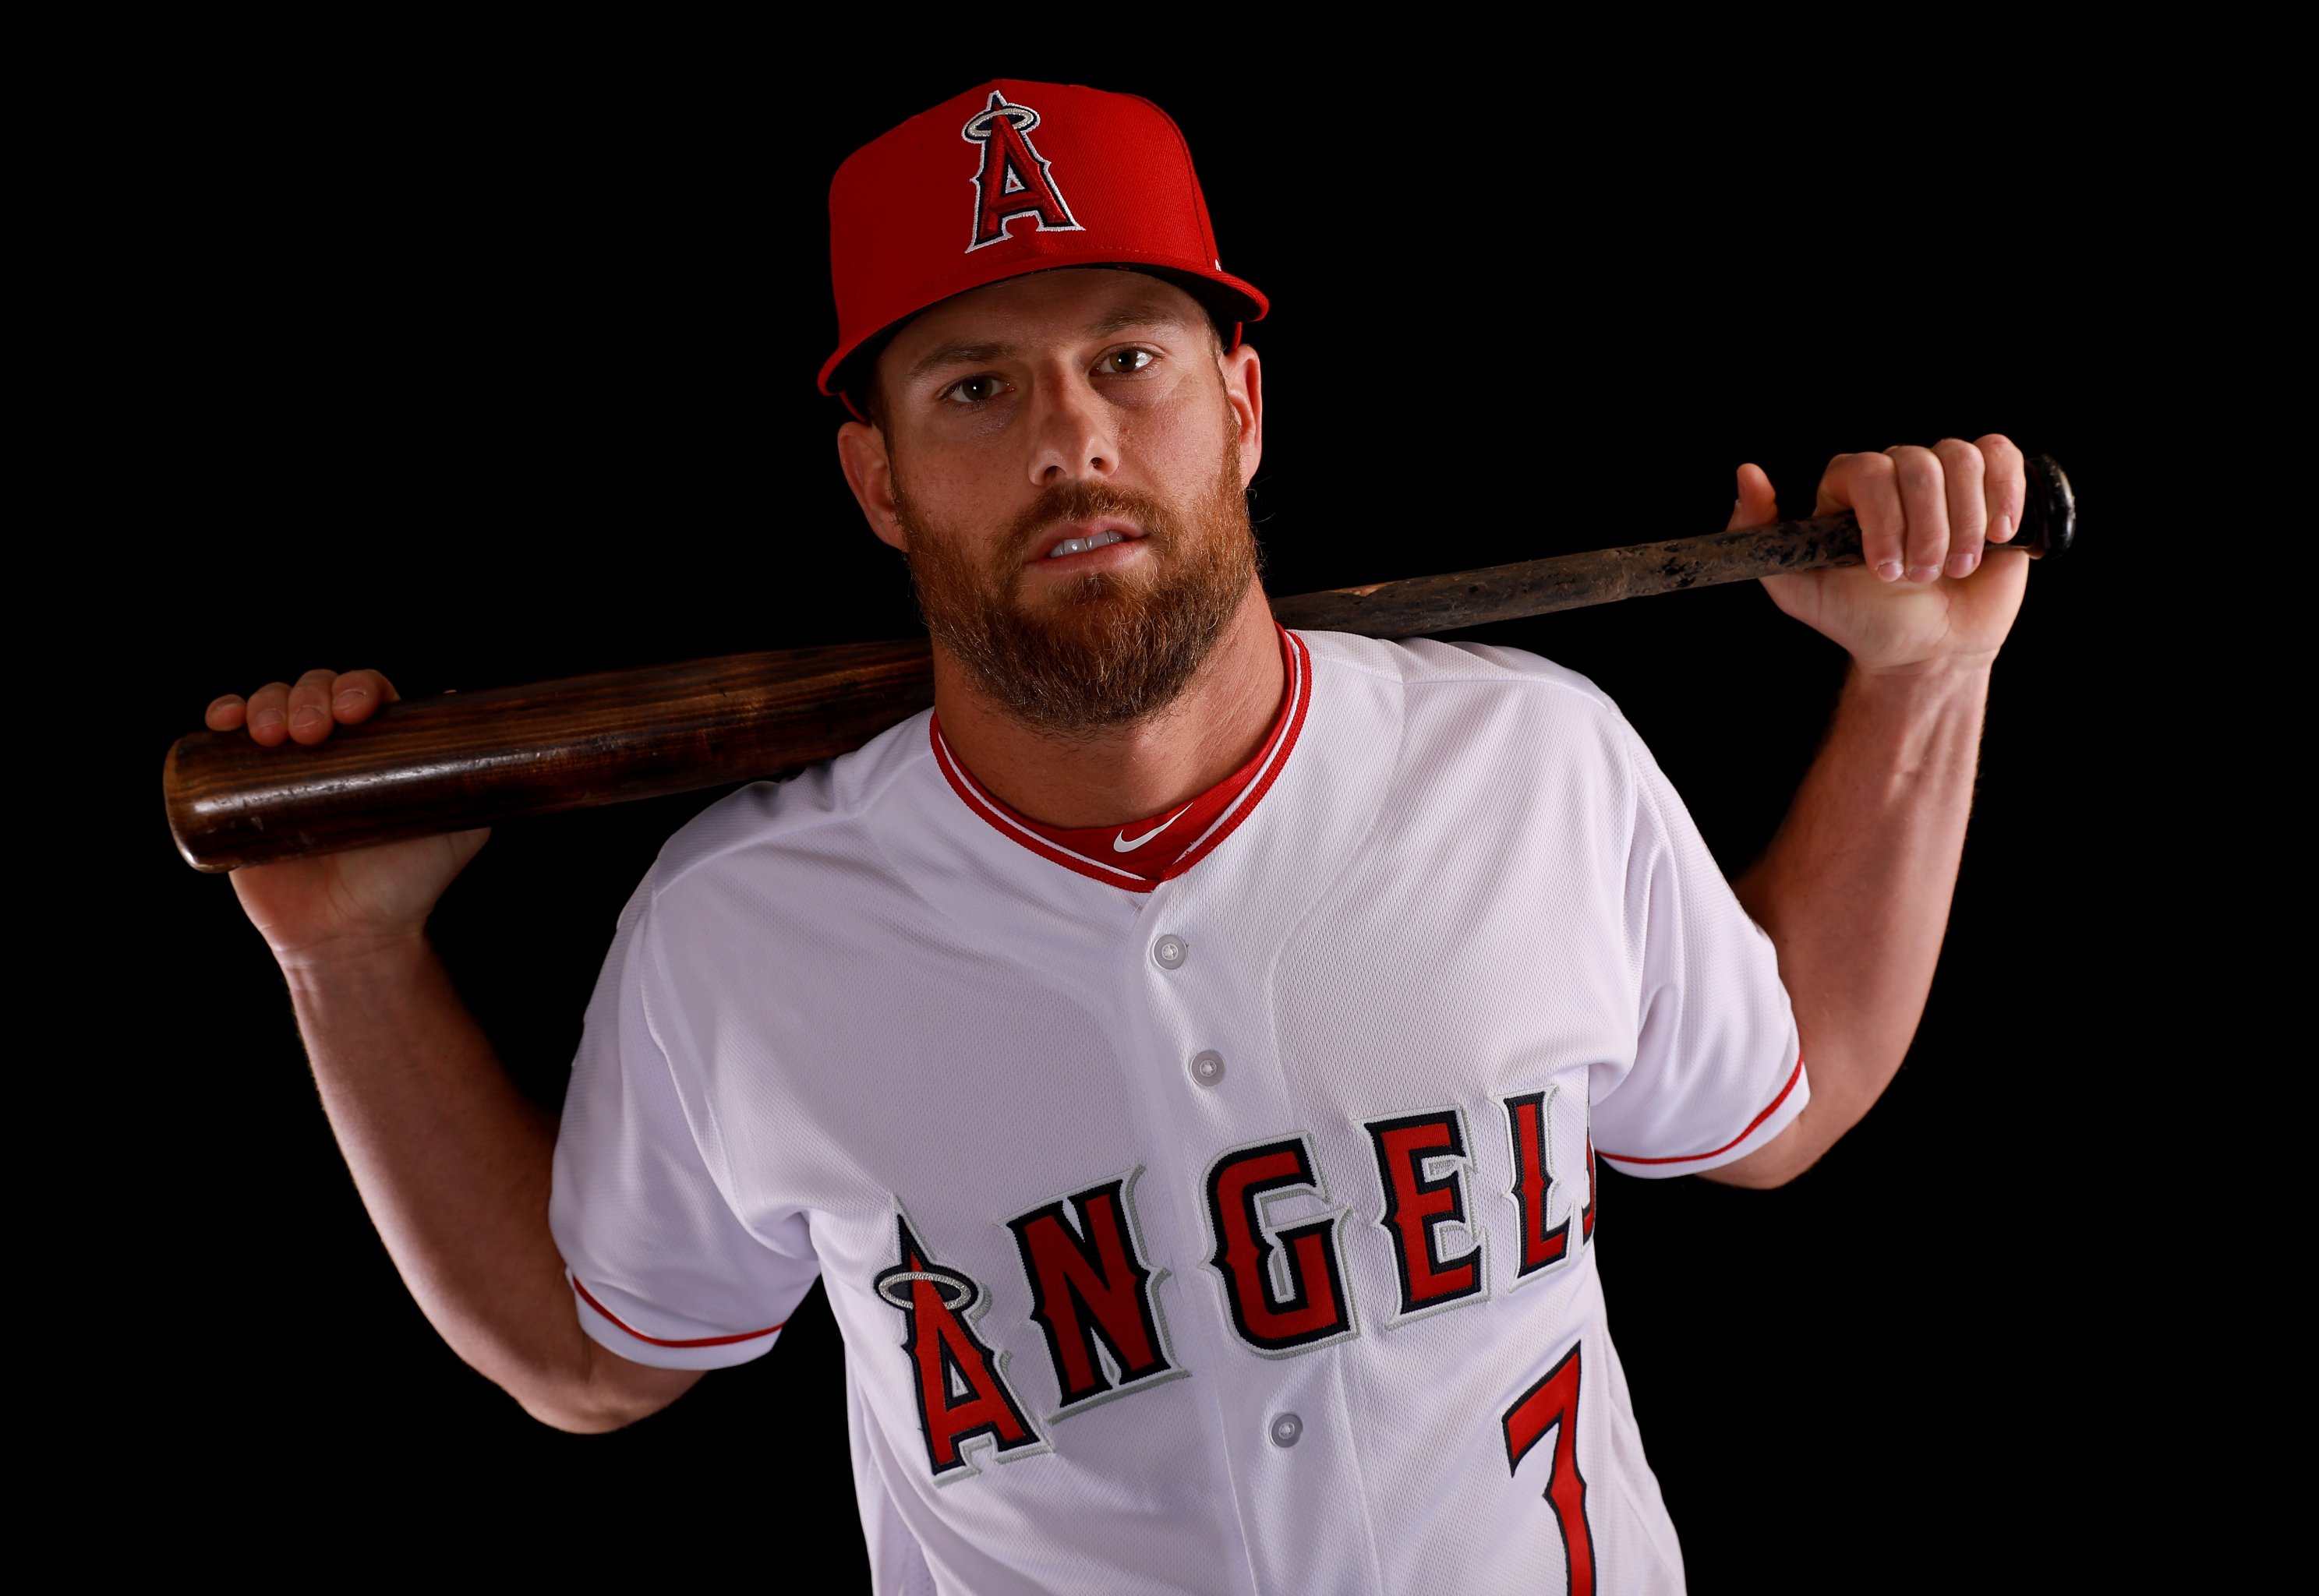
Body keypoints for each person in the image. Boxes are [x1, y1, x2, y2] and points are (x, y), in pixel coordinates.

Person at [197, 80, 2033, 1593]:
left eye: (1130, 358)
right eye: (976, 386)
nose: (1073, 437)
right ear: (881, 482)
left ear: (1239, 405)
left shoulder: (1532, 762)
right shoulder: (735, 932)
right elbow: (594, 1351)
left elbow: (1782, 1098)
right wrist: (341, 956)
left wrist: (1923, 685)